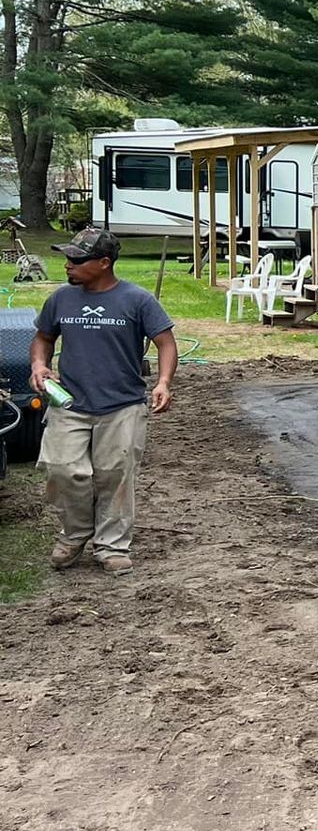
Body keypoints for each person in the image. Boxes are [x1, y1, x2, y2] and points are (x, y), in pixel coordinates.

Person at [28, 227, 178, 575]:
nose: (68, 265)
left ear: (104, 263)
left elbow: (166, 343)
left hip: (122, 405)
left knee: (115, 476)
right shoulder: (60, 300)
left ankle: (111, 545)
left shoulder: (136, 300)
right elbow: (43, 338)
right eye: (67, 258)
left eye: (77, 260)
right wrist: (40, 364)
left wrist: (164, 382)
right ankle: (75, 533)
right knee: (64, 470)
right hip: (69, 403)